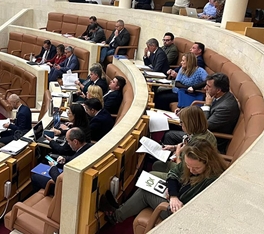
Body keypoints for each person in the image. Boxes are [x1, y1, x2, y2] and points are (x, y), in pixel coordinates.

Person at [99, 139, 227, 225]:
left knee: (145, 192)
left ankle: (116, 216)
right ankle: (121, 208)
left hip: (179, 211)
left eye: (196, 168)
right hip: (174, 197)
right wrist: (173, 194)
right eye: (188, 166)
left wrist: (175, 197)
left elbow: (194, 207)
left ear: (208, 162)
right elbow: (173, 174)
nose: (191, 170)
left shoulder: (212, 180)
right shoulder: (191, 162)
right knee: (148, 180)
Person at [163, 73, 239, 153]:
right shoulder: (219, 96)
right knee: (170, 124)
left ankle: (171, 160)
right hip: (200, 132)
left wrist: (207, 105)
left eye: (209, 86)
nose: (205, 88)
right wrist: (185, 111)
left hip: (207, 141)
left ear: (218, 90)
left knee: (169, 135)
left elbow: (205, 125)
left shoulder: (225, 108)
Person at [151, 106, 217, 180]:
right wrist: (174, 147)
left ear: (190, 124)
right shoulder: (202, 132)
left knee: (151, 175)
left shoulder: (199, 143)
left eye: (182, 122)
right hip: (186, 166)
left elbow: (185, 169)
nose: (180, 124)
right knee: (157, 165)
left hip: (190, 176)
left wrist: (178, 154)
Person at [31, 127, 93, 192]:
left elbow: (60, 180)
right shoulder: (89, 146)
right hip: (71, 178)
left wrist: (53, 167)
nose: (68, 144)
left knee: (35, 177)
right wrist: (65, 159)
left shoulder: (76, 161)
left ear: (75, 142)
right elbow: (72, 158)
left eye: (68, 141)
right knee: (48, 158)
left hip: (65, 188)